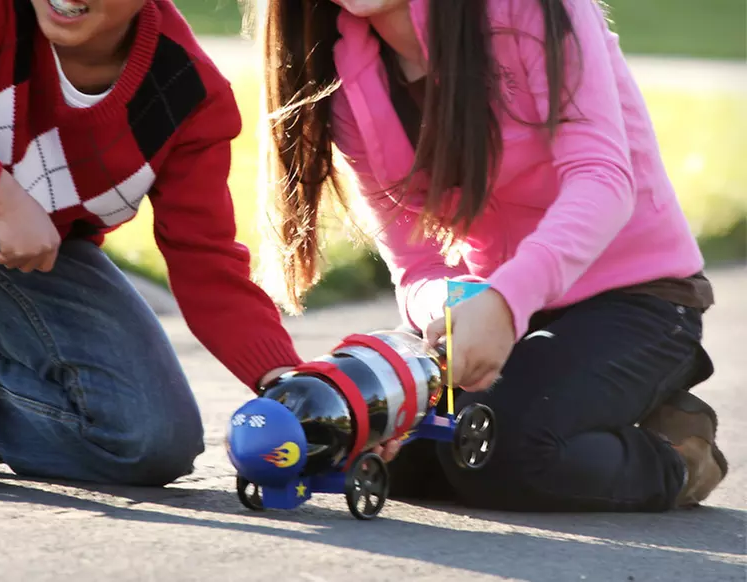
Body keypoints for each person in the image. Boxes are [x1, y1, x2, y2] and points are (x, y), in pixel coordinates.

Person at [253, 0, 727, 511]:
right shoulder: (346, 73)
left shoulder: (533, 9)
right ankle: (561, 407)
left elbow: (603, 180)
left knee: (499, 452)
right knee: (378, 444)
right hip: (490, 305)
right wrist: (449, 313)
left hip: (637, 298)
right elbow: (418, 263)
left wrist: (507, 299)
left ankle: (675, 455)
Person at [0, 0, 303, 486]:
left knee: (150, 442)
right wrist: (0, 198)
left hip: (33, 253)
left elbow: (206, 262)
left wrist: (289, 388)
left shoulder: (190, 95)